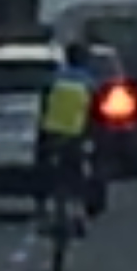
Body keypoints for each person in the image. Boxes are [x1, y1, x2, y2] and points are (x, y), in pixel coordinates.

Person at [36, 39, 101, 227]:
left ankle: (44, 207)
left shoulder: (54, 78)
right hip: (76, 133)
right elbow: (95, 112)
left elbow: (44, 106)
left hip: (52, 132)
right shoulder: (88, 81)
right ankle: (79, 211)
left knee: (46, 169)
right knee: (81, 171)